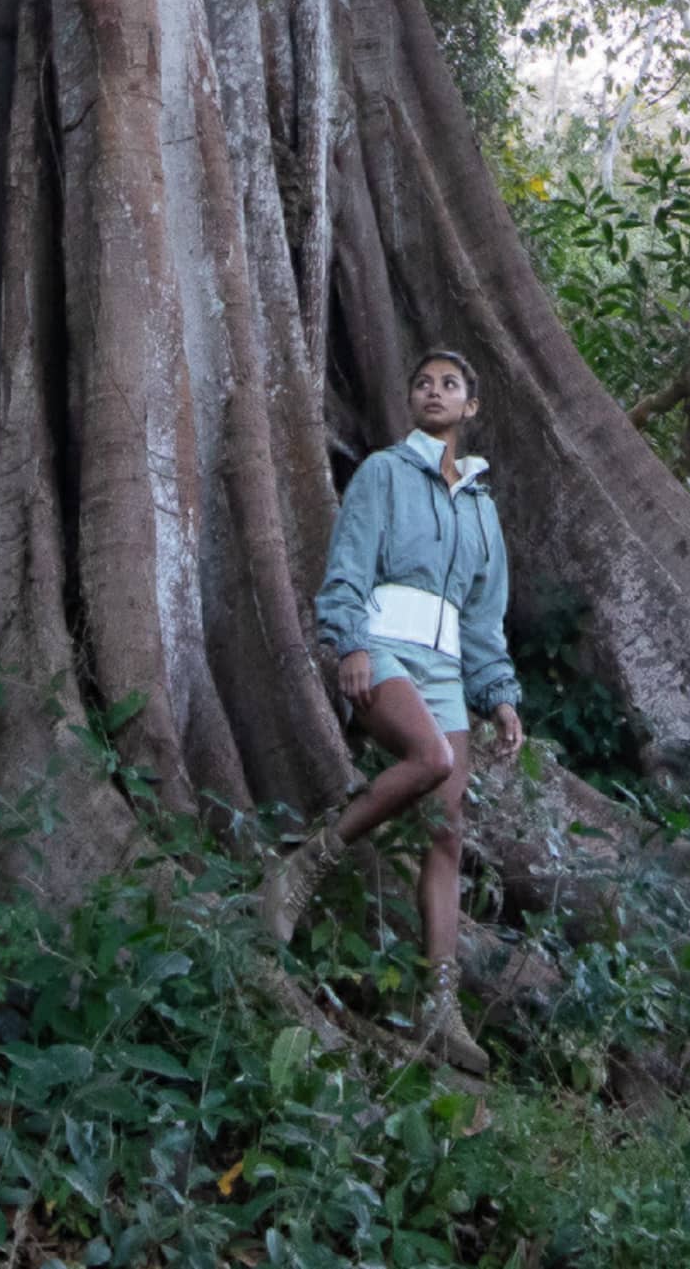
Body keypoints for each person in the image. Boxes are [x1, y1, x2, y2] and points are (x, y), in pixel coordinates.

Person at [259, 347, 523, 1074]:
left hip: (447, 670)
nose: (433, 390)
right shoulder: (383, 472)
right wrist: (349, 643)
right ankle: (302, 867)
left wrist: (499, 696)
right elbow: (348, 563)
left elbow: (483, 617)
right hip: (383, 644)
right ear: (411, 401)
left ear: (470, 408)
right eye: (422, 382)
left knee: (445, 832)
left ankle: (442, 1010)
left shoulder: (481, 508)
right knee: (430, 757)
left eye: (450, 383)